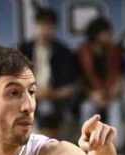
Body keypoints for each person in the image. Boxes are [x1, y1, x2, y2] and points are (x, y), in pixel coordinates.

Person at [18, 7, 79, 138]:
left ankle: (46, 145)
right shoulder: (23, 50)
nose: (44, 30)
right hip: (27, 95)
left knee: (48, 112)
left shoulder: (64, 53)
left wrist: (53, 93)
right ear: (35, 26)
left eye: (48, 26)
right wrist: (32, 92)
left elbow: (72, 86)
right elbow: (13, 79)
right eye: (41, 25)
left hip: (55, 99)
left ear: (54, 28)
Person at [77, 16, 125, 145]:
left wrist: (114, 91)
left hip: (112, 96)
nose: (110, 36)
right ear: (96, 35)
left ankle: (117, 147)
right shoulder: (82, 53)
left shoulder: (115, 52)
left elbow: (120, 75)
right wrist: (92, 95)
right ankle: (88, 144)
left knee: (116, 108)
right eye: (106, 33)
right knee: (86, 108)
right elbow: (80, 80)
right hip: (91, 96)